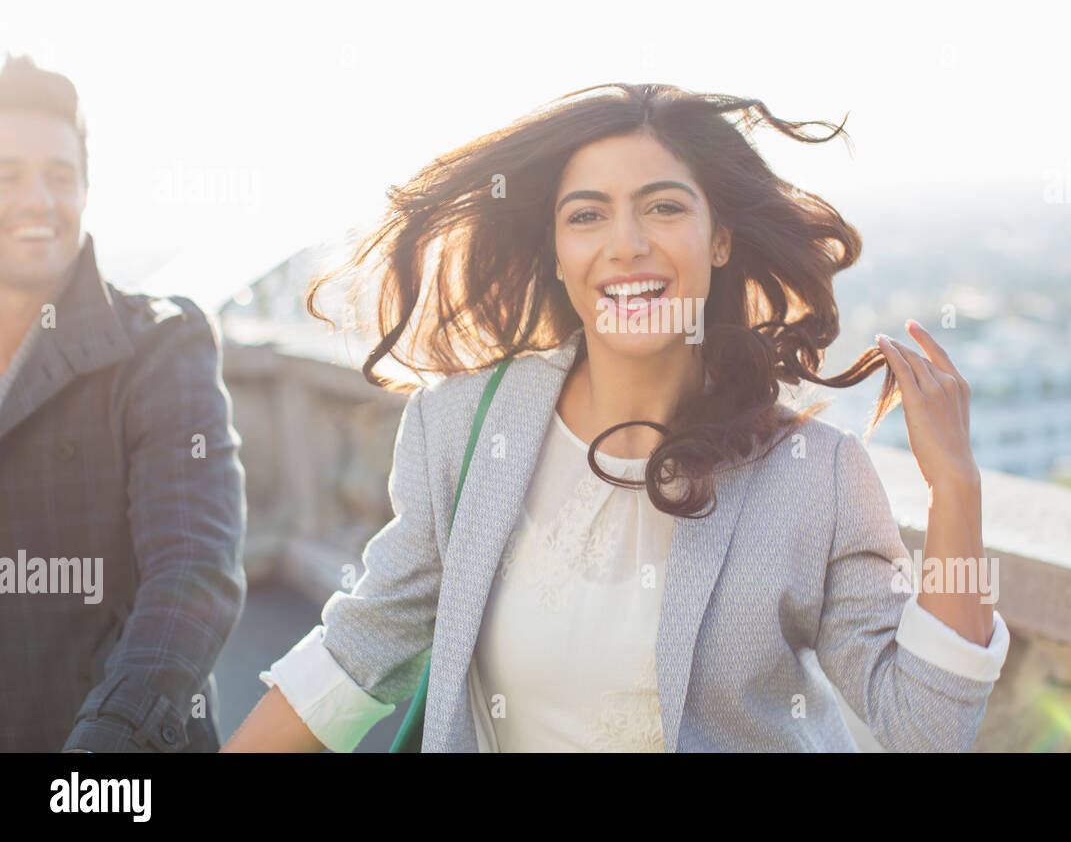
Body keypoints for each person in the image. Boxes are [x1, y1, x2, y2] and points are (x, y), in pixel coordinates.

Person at [223, 83, 1008, 753]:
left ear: (721, 237)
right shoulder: (461, 429)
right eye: (587, 216)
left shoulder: (819, 476)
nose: (625, 245)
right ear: (558, 250)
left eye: (663, 207)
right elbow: (356, 655)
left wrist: (956, 494)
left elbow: (923, 730)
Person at [0, 54, 247, 752]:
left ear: (85, 187)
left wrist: (108, 741)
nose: (38, 201)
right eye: (8, 175)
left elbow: (193, 571)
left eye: (59, 176)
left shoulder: (162, 345)